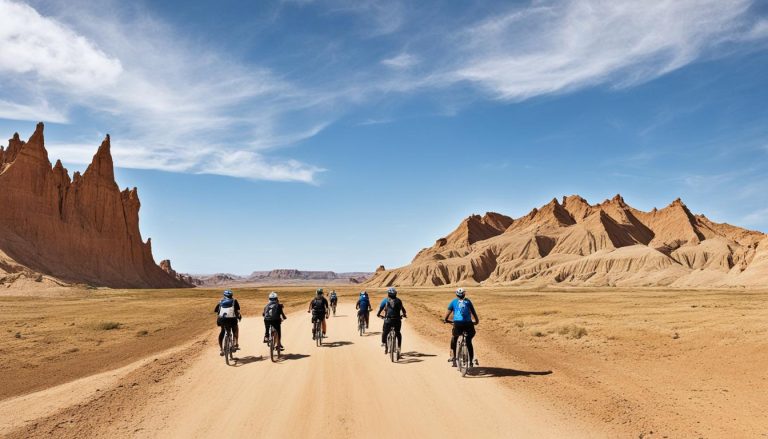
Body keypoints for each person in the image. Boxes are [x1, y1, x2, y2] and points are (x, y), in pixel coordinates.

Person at [444, 288, 479, 367]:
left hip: (457, 324)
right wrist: (476, 321)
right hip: (468, 324)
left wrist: (445, 320)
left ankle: (453, 359)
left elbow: (447, 313)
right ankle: (471, 361)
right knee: (469, 341)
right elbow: (473, 312)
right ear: (464, 294)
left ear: (456, 295)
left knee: (454, 338)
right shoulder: (468, 301)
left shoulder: (453, 302)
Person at [376, 287, 407, 354]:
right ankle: (399, 347)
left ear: (388, 294)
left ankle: (384, 343)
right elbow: (403, 309)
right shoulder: (399, 300)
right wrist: (404, 315)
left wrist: (378, 314)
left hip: (388, 320)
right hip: (397, 320)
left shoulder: (385, 300)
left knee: (385, 332)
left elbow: (381, 308)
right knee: (398, 332)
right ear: (395, 294)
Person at [214, 289, 241, 356]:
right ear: (231, 295)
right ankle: (235, 343)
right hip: (232, 320)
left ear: (224, 295)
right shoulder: (234, 301)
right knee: (235, 328)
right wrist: (239, 317)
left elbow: (216, 311)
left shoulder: (221, 301)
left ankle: (221, 349)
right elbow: (237, 311)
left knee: (222, 331)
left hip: (222, 320)